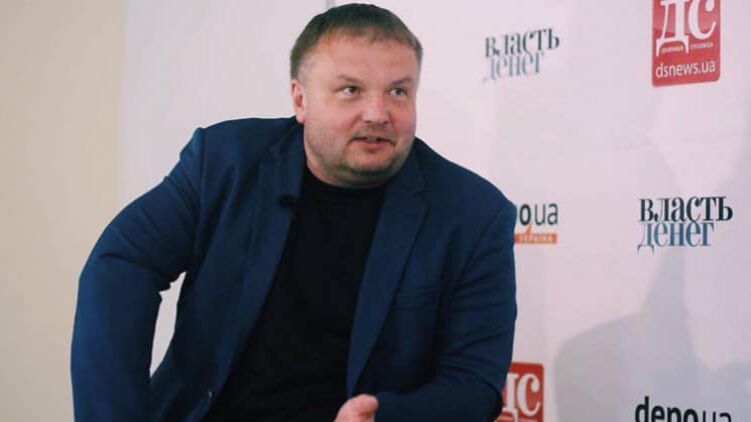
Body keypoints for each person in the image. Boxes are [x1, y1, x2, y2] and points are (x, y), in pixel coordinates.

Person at [71, 4, 517, 421]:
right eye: (351, 90)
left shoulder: (474, 214)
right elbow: (122, 262)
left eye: (398, 91)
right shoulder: (225, 164)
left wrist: (388, 416)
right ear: (300, 100)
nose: (378, 113)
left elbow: (475, 383)